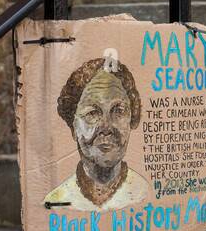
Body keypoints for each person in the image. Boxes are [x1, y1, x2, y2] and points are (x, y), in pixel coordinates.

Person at [45, 57, 152, 211]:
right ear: (73, 127)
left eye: (118, 111)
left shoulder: (145, 194)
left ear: (131, 119)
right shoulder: (57, 201)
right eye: (93, 113)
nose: (106, 127)